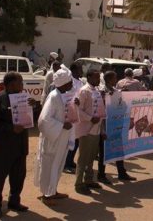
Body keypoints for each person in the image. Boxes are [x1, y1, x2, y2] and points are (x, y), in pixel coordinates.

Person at [0, 72, 33, 218]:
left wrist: (34, 106)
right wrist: (11, 128)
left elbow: (30, 119)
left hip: (20, 147)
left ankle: (14, 201)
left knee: (18, 177)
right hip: (3, 147)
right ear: (10, 84)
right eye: (20, 83)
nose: (22, 86)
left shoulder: (23, 98)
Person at [34, 68, 74, 205]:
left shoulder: (64, 95)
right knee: (48, 165)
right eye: (70, 81)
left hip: (61, 139)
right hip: (53, 139)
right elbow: (43, 121)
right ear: (64, 83)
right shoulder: (54, 96)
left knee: (58, 165)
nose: (71, 84)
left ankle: (53, 190)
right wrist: (62, 126)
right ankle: (46, 194)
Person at [97, 71, 137, 183]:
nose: (116, 80)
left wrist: (122, 94)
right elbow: (100, 107)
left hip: (117, 125)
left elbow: (121, 103)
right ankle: (101, 174)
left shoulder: (115, 91)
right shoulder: (102, 91)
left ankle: (121, 172)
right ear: (109, 79)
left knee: (119, 149)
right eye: (114, 78)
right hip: (106, 126)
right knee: (104, 152)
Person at [74, 69, 105, 195]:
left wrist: (102, 129)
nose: (98, 80)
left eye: (99, 77)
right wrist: (90, 118)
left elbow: (101, 110)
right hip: (86, 129)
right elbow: (78, 110)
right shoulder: (84, 91)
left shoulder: (96, 91)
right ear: (89, 78)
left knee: (92, 157)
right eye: (96, 78)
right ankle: (78, 183)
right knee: (83, 158)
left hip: (96, 129)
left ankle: (88, 180)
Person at [63, 63, 84, 174]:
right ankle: (65, 164)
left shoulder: (80, 82)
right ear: (75, 69)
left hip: (78, 115)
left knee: (76, 140)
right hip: (69, 115)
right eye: (80, 68)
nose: (82, 71)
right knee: (69, 140)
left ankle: (70, 161)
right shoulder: (68, 81)